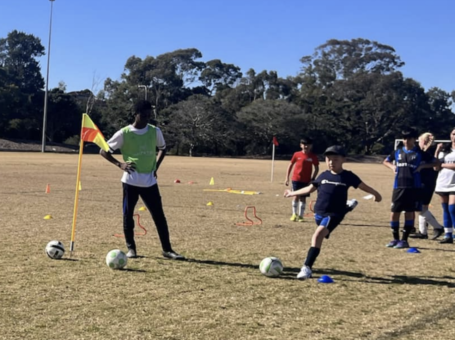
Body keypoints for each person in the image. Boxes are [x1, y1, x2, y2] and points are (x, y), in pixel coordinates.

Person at [100, 100, 184, 260]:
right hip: (130, 182)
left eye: (148, 115)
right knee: (128, 215)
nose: (146, 118)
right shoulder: (124, 133)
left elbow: (163, 149)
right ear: (135, 114)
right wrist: (120, 164)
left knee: (159, 216)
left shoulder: (155, 131)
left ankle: (167, 250)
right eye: (143, 115)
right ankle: (131, 249)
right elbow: (103, 151)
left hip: (150, 182)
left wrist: (155, 167)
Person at [284, 145, 382, 280]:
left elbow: (363, 186)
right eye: (328, 159)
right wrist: (291, 193)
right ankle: (348, 207)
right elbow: (309, 189)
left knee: (317, 236)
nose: (331, 162)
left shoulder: (348, 176)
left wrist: (376, 194)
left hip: (334, 214)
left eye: (335, 159)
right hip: (319, 213)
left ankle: (307, 268)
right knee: (322, 232)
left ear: (343, 160)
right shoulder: (323, 175)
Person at [383, 128, 438, 249]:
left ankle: (404, 240)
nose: (406, 141)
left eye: (409, 138)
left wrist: (423, 166)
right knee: (394, 213)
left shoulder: (419, 153)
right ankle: (395, 239)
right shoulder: (397, 152)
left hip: (413, 188)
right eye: (404, 138)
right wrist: (392, 167)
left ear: (414, 139)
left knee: (409, 213)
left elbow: (436, 162)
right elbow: (385, 161)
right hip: (398, 187)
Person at [409, 132, 444, 240]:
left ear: (423, 140)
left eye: (419, 140)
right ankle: (423, 232)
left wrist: (423, 166)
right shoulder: (422, 151)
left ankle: (438, 227)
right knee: (422, 207)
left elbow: (435, 164)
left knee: (420, 207)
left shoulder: (430, 151)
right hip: (423, 181)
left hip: (427, 182)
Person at [284, 137, 319, 222]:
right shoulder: (296, 154)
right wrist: (287, 178)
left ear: (311, 146)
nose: (306, 146)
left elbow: (316, 168)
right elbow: (290, 165)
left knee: (303, 198)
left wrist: (312, 179)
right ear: (301, 145)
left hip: (306, 180)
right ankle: (293, 214)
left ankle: (300, 216)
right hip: (296, 179)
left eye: (308, 145)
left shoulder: (313, 156)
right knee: (295, 196)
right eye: (304, 144)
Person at [434, 128, 455, 244]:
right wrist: (437, 151)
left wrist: (442, 164)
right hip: (443, 182)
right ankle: (448, 235)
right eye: (453, 134)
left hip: (454, 184)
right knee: (446, 209)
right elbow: (435, 167)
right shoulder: (445, 150)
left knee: (453, 208)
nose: (454, 137)